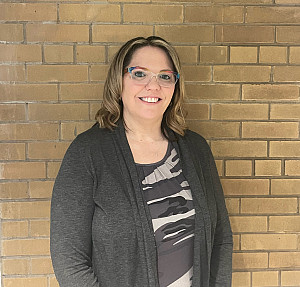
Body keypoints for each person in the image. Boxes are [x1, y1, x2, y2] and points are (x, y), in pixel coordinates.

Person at [50, 36, 233, 287]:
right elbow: (69, 261)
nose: (153, 86)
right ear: (119, 80)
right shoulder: (87, 153)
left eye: (165, 76)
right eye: (139, 74)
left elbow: (221, 239)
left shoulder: (196, 150)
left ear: (175, 87)